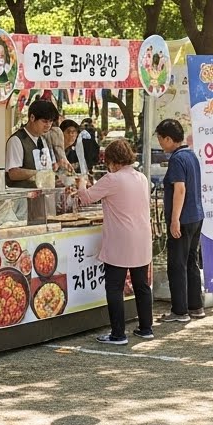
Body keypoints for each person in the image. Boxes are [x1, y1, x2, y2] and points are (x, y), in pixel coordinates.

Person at [75, 139, 153, 344]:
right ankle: (146, 328)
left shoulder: (113, 179)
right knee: (142, 285)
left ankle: (118, 333)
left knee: (114, 287)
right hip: (142, 236)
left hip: (121, 239)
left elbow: (86, 197)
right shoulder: (141, 177)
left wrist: (81, 181)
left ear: (112, 161)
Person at [155, 119, 204, 324]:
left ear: (168, 138)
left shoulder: (177, 159)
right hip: (196, 216)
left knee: (177, 264)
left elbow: (180, 189)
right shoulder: (191, 155)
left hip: (183, 218)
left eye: (160, 139)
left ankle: (179, 310)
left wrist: (174, 219)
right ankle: (195, 306)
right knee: (191, 261)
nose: (160, 144)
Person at [5, 99, 59, 187]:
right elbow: (13, 173)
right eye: (44, 121)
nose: (48, 125)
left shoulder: (43, 140)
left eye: (51, 121)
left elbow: (47, 168)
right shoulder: (17, 140)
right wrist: (39, 173)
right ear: (32, 118)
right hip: (22, 197)